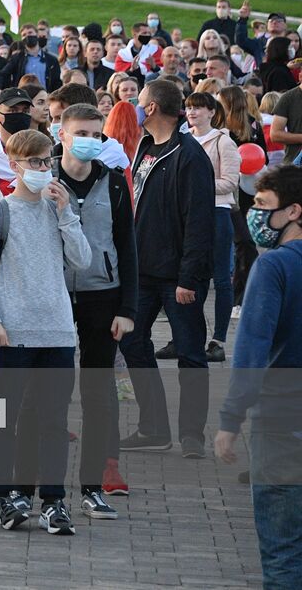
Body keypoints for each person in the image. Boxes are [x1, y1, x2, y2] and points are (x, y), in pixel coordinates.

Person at [0, 128, 91, 534]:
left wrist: (68, 213)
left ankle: (53, 500)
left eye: (46, 161)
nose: (42, 169)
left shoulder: (58, 211)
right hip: (12, 334)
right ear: (14, 165)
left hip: (57, 332)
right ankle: (5, 496)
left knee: (54, 420)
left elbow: (82, 261)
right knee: (6, 418)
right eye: (34, 162)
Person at [46, 103, 138, 513]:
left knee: (99, 393)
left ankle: (95, 481)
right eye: (80, 132)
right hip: (55, 297)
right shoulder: (43, 177)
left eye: (96, 134)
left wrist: (128, 307)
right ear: (61, 133)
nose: (89, 141)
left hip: (104, 296)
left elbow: (127, 247)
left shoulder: (114, 182)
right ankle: (48, 487)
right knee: (53, 391)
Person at [215, 164, 302, 590]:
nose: (254, 214)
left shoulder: (274, 268)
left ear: (293, 212)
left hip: (282, 419)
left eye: (263, 206)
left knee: (284, 551)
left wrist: (231, 420)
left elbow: (251, 349)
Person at [119, 79, 216, 458]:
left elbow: (199, 222)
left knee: (191, 354)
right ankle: (153, 427)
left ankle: (192, 435)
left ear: (154, 108)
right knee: (131, 341)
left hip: (177, 277)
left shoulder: (189, 155)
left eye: (139, 102)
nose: (134, 107)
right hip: (142, 272)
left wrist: (188, 278)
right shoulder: (143, 147)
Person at [183, 93, 240, 363]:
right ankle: (187, 335)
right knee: (192, 275)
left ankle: (218, 339)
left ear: (210, 111)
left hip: (217, 212)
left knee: (220, 277)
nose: (192, 112)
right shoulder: (183, 140)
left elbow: (230, 181)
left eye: (198, 108)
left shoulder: (223, 141)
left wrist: (198, 189)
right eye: (189, 108)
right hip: (190, 214)